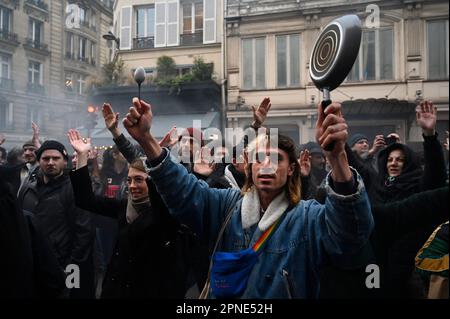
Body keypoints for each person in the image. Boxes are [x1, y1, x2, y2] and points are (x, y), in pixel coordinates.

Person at [121, 97, 373, 298]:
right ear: (249, 168)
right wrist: (146, 140)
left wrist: (337, 156)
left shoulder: (308, 217)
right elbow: (184, 191)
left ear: (292, 168)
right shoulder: (227, 207)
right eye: (259, 159)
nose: (266, 166)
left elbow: (351, 237)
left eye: (275, 159)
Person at [68, 129, 197, 298]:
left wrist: (156, 156)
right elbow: (86, 200)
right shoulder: (124, 206)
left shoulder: (165, 211)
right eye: (129, 180)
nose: (132, 186)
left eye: (139, 180)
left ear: (151, 181)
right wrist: (83, 156)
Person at [17, 140, 95, 298]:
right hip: (33, 264)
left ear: (64, 161)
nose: (50, 162)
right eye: (45, 159)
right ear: (39, 161)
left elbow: (84, 232)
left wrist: (71, 268)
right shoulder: (28, 187)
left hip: (63, 264)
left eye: (55, 158)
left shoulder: (74, 189)